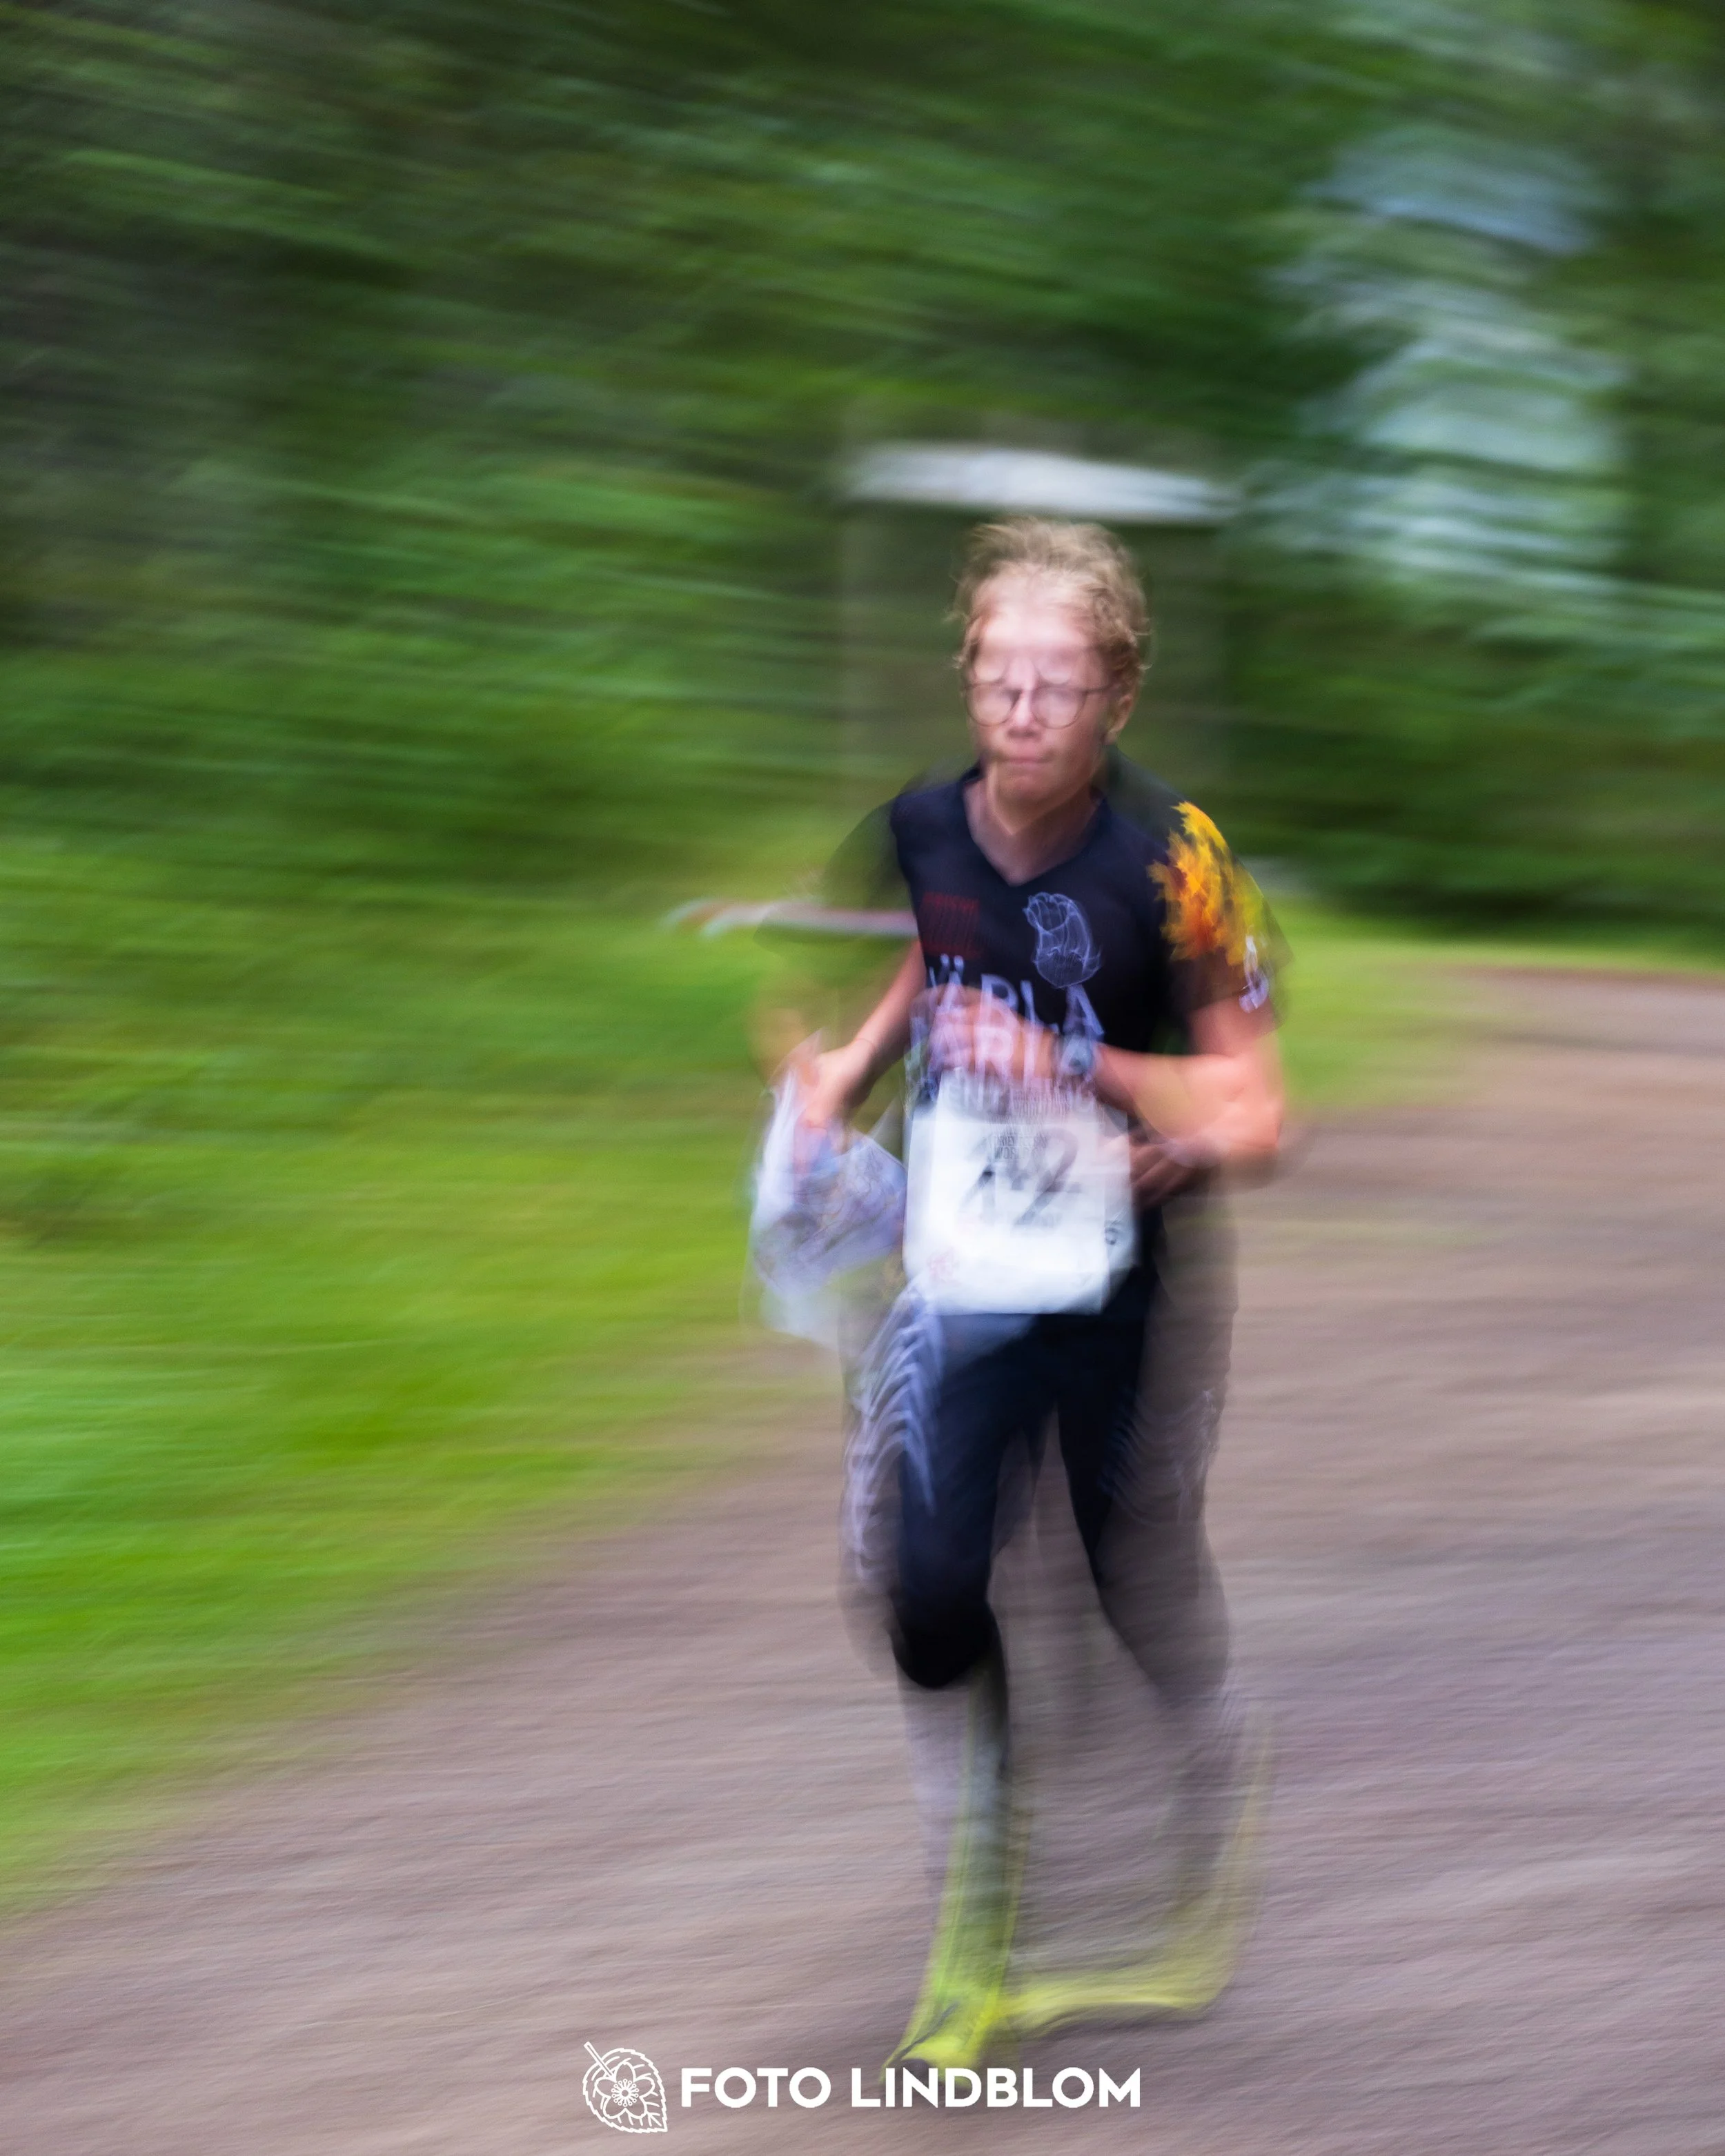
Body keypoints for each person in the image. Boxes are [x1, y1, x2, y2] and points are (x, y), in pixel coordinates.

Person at [793, 517, 1284, 2070]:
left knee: (1126, 1582)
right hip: (962, 1275)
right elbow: (938, 962)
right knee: (928, 1594)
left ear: (1116, 698)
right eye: (997, 678)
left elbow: (1254, 1113)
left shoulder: (1180, 862)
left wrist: (1072, 1066)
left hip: (1123, 1284)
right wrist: (849, 1068)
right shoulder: (924, 827)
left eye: (1056, 684)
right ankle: (976, 1909)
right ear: (967, 681)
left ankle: (1218, 1758)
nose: (1019, 710)